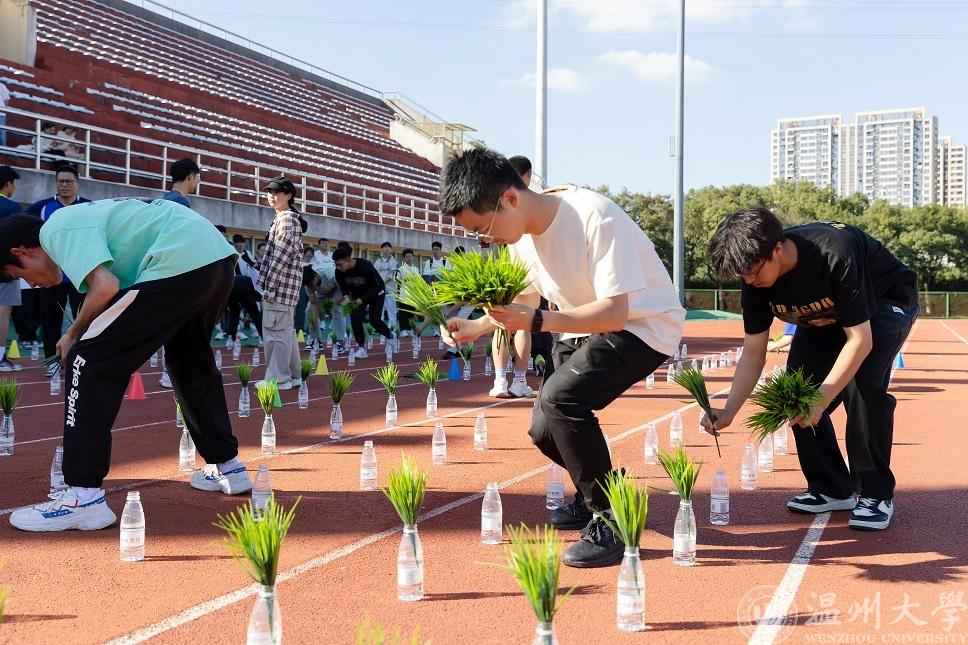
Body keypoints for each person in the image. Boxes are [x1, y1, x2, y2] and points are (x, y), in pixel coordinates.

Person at [439, 148, 685, 567]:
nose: (486, 240)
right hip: (579, 325)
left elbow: (615, 313)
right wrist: (476, 326)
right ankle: (601, 490)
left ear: (510, 199)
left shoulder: (594, 216)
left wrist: (538, 321)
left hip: (643, 326)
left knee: (561, 400)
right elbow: (525, 300)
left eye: (483, 229)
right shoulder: (519, 236)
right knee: (543, 431)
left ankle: (612, 519)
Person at [0, 198, 253, 532]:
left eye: (18, 275)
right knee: (190, 362)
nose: (30, 285)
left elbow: (106, 286)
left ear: (21, 252)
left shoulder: (55, 229)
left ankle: (83, 496)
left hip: (177, 260)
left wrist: (74, 333)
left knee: (87, 361)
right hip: (215, 260)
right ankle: (228, 466)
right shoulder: (85, 221)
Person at [704, 207, 918, 531]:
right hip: (827, 316)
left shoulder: (834, 252)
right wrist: (729, 410)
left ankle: (875, 494)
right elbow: (753, 353)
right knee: (794, 389)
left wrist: (823, 396)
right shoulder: (754, 279)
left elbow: (860, 340)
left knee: (862, 385)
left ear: (777, 249)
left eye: (754, 273)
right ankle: (831, 487)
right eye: (743, 277)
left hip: (885, 301)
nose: (750, 281)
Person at [25, 163, 91, 374]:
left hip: (80, 275)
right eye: (60, 181)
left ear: (77, 183)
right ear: (56, 183)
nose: (64, 185)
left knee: (84, 321)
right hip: (51, 276)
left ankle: (80, 362)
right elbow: (24, 228)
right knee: (50, 320)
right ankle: (53, 363)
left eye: (69, 181)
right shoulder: (42, 207)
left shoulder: (89, 207)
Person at [490, 155, 536, 399]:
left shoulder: (500, 200)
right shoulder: (535, 200)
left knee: (501, 323)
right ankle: (519, 381)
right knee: (523, 325)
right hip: (529, 268)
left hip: (506, 266)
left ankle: (499, 381)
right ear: (528, 175)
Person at [255, 176, 303, 390]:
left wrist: (270, 287)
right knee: (285, 333)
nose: (272, 196)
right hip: (285, 288)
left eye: (277, 192)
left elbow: (281, 256)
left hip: (280, 288)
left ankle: (278, 379)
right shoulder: (286, 219)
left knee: (275, 335)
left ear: (289, 196)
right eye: (269, 192)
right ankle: (293, 375)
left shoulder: (286, 219)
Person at [332, 247, 394, 359]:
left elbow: (376, 286)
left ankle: (390, 336)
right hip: (358, 294)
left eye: (340, 264)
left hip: (376, 292)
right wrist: (346, 295)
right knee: (355, 317)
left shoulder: (365, 266)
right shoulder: (339, 272)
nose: (338, 267)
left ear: (348, 260)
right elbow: (343, 286)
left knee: (374, 320)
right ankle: (361, 348)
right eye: (336, 265)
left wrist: (362, 299)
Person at [0, 166, 23, 371]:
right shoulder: (12, 208)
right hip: (6, 267)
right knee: (2, 311)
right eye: (14, 184)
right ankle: (0, 357)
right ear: (8, 184)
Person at [226, 234, 262, 344]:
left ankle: (232, 338)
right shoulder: (231, 252)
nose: (241, 245)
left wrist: (255, 263)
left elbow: (252, 266)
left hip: (246, 284)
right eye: (238, 243)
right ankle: (232, 337)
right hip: (237, 284)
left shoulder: (247, 253)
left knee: (240, 312)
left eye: (242, 242)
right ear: (234, 244)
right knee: (250, 312)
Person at [373, 242, 399, 329]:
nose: (386, 249)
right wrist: (379, 284)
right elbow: (375, 273)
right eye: (384, 247)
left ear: (391, 249)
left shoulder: (394, 262)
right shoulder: (377, 261)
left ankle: (392, 330)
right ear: (381, 249)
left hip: (390, 290)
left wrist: (382, 282)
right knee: (380, 311)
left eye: (388, 247)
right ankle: (381, 329)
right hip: (380, 290)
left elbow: (393, 274)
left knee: (392, 311)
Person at [396, 248, 421, 335]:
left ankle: (410, 328)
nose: (409, 258)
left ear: (413, 257)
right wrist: (405, 279)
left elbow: (419, 281)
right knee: (403, 313)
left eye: (410, 256)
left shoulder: (416, 269)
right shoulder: (401, 269)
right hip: (403, 294)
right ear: (404, 258)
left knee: (411, 313)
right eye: (407, 256)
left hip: (413, 295)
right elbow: (397, 280)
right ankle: (403, 330)